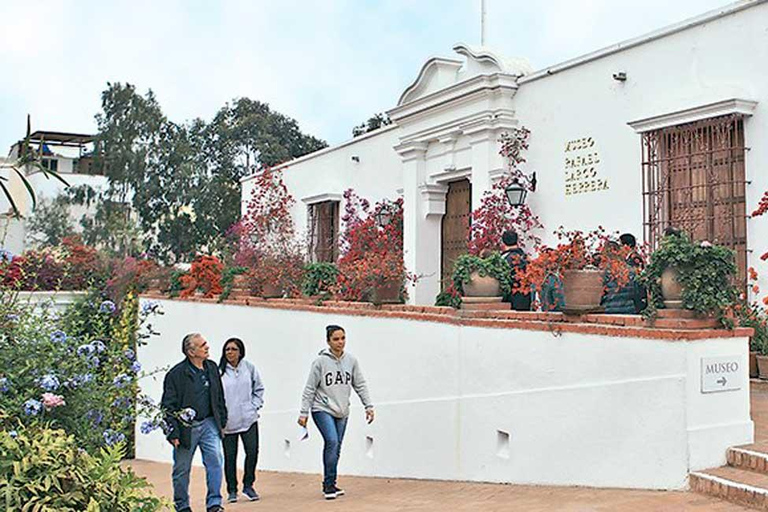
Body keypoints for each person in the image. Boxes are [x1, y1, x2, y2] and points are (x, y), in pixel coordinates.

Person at [298, 325, 374, 500]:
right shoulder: (320, 362)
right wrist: (304, 413)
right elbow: (310, 388)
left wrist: (368, 406)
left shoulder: (351, 361)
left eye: (343, 338)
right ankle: (328, 485)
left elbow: (359, 384)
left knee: (337, 446)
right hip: (322, 408)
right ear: (328, 341)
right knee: (331, 441)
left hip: (342, 410)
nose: (340, 342)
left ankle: (332, 482)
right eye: (336, 339)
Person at [161, 333, 228, 512]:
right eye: (202, 345)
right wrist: (173, 433)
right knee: (182, 469)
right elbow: (167, 406)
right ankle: (182, 506)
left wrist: (222, 419)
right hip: (186, 428)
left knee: (215, 461)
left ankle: (214, 503)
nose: (207, 347)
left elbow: (219, 395)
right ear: (191, 352)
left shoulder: (212, 367)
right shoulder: (176, 374)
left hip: (209, 424)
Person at [219, 338, 264, 503]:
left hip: (249, 419)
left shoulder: (249, 368)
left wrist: (254, 406)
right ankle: (232, 489)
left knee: (252, 451)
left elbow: (258, 388)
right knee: (230, 457)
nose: (230, 352)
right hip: (228, 422)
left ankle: (248, 485)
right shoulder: (219, 372)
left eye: (233, 349)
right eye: (227, 349)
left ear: (240, 351)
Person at [501, 230, 532, 311]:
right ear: (517, 241)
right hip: (526, 298)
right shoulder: (526, 258)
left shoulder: (504, 259)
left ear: (503, 243)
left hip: (508, 300)